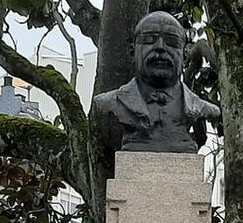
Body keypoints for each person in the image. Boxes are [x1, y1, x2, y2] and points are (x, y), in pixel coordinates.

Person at [93, 11, 220, 153]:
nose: (160, 47)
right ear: (132, 52)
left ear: (184, 57)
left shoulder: (201, 107)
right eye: (148, 39)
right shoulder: (108, 102)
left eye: (171, 42)